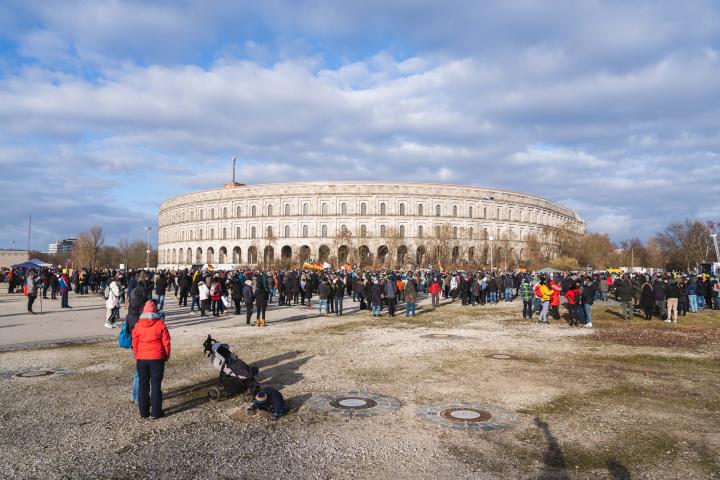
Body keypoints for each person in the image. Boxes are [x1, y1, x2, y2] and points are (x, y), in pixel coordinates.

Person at [132, 301, 171, 419]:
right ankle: (156, 412)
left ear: (144, 311)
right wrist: (166, 356)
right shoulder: (160, 324)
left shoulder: (138, 325)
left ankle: (143, 412)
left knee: (143, 385)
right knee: (156, 385)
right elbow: (166, 342)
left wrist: (137, 355)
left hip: (142, 358)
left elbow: (135, 343)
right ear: (155, 311)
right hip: (157, 358)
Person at [125, 285, 146, 402]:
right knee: (140, 372)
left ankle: (135, 394)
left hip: (135, 343)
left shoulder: (131, 311)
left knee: (138, 370)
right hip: (141, 343)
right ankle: (137, 395)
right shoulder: (141, 314)